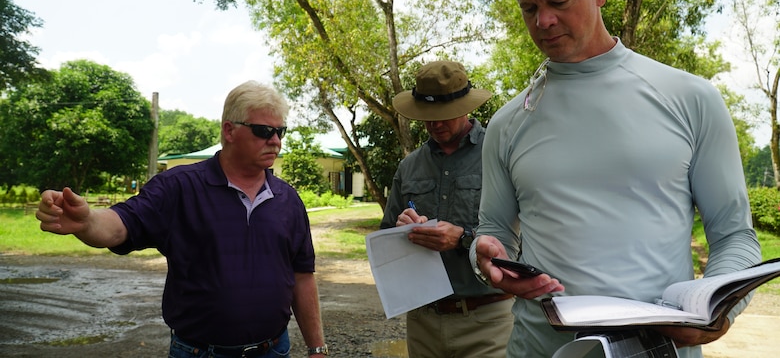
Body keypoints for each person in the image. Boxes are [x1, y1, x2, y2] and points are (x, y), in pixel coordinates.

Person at [471, 0, 762, 358]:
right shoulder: (508, 122)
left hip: (658, 350)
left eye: (558, 2)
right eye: (527, 7)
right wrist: (485, 257)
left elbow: (735, 237)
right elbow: (494, 230)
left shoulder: (691, 98)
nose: (543, 21)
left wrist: (717, 312)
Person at [36, 81, 329, 358]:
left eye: (281, 131)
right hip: (199, 352)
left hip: (274, 350)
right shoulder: (178, 187)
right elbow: (121, 225)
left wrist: (317, 349)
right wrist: (86, 223)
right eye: (264, 130)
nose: (275, 141)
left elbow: (302, 276)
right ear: (229, 130)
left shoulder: (287, 199)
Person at [382, 60, 514, 358]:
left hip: (489, 320)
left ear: (465, 107)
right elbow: (385, 239)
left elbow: (527, 233)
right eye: (427, 117)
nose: (435, 124)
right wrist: (402, 230)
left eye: (444, 115)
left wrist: (464, 238)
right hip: (423, 322)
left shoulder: (499, 154)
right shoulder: (409, 166)